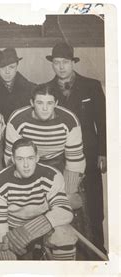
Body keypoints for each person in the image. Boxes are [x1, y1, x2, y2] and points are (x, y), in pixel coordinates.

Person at [45, 41, 107, 254]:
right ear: (52, 65)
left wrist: (103, 152)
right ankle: (70, 252)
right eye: (56, 63)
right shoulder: (47, 90)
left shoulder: (92, 86)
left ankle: (99, 250)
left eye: (65, 62)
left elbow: (104, 121)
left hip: (89, 155)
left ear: (72, 63)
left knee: (93, 204)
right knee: (65, 203)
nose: (60, 67)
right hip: (62, 158)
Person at [0, 138, 77, 260]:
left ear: (37, 158)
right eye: (20, 159)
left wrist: (27, 232)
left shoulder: (51, 175)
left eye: (30, 158)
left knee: (65, 234)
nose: (26, 165)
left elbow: (65, 212)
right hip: (11, 232)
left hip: (41, 230)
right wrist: (10, 240)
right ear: (13, 160)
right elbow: (1, 226)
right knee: (7, 264)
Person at [4, 83, 86, 212]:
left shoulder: (70, 121)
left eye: (49, 103)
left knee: (68, 203)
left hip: (58, 163)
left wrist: (69, 192)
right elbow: (11, 158)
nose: (45, 108)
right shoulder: (17, 119)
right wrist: (22, 187)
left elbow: (74, 160)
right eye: (40, 103)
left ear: (56, 103)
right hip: (27, 162)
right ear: (32, 103)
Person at [0, 47, 36, 122]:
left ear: (17, 67)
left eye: (11, 67)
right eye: (3, 67)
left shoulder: (32, 89)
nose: (7, 72)